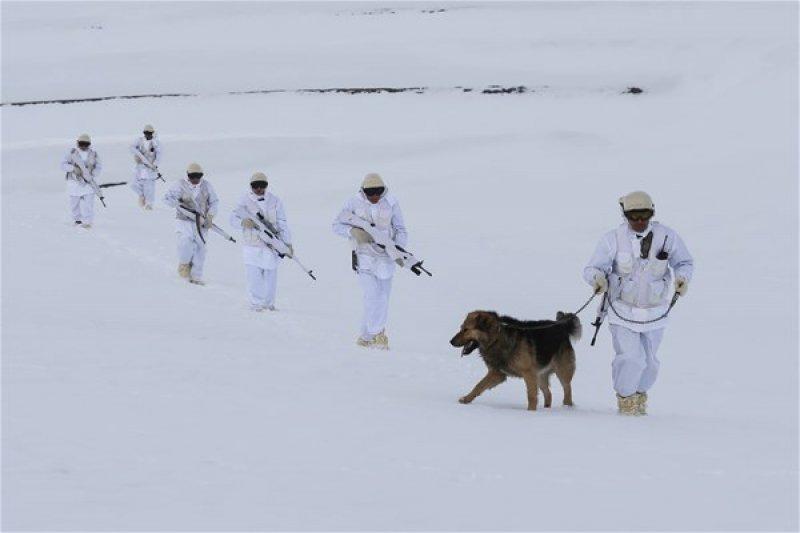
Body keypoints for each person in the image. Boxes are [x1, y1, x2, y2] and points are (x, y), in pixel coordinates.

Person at [583, 191, 694, 415]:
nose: (640, 221)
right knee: (630, 358)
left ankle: (640, 395)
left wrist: (682, 279)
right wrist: (598, 279)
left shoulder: (667, 237)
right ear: (625, 215)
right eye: (635, 217)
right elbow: (592, 268)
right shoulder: (612, 239)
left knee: (650, 363)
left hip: (655, 313)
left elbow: (684, 262)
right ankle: (626, 400)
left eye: (645, 215)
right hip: (621, 311)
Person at [332, 173, 408, 349]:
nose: (374, 196)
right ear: (363, 191)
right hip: (363, 257)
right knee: (373, 295)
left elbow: (400, 229)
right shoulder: (352, 202)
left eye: (378, 193)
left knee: (382, 299)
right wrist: (353, 232)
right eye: (370, 193)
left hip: (386, 258)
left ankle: (365, 337)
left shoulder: (391, 202)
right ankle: (378, 335)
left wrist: (398, 248)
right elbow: (336, 225)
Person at [230, 172, 293, 311]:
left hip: (271, 245)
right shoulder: (243, 201)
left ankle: (269, 304)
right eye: (255, 186)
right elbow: (232, 219)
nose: (259, 189)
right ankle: (256, 304)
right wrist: (243, 222)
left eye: (262, 185)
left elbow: (282, 223)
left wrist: (287, 243)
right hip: (251, 246)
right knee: (253, 277)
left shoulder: (275, 201)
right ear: (251, 186)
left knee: (271, 276)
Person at [162, 162, 219, 285]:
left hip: (201, 223)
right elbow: (167, 198)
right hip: (183, 221)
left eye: (198, 176)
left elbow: (214, 202)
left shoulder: (207, 186)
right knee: (185, 243)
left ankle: (196, 275)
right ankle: (184, 264)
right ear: (187, 175)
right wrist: (176, 202)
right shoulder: (179, 184)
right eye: (192, 176)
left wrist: (210, 216)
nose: (195, 179)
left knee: (201, 248)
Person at [60, 133, 103, 229]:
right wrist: (73, 169)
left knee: (89, 204)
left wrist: (92, 174)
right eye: (81, 143)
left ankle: (87, 222)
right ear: (78, 143)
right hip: (74, 182)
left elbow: (98, 167)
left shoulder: (94, 154)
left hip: (88, 183)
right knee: (74, 203)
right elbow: (62, 165)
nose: (83, 146)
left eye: (86, 144)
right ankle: (77, 220)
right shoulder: (71, 153)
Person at [129, 124, 162, 210]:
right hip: (140, 167)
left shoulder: (156, 143)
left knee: (149, 188)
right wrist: (139, 155)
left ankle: (149, 204)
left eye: (149, 133)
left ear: (152, 133)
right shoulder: (139, 141)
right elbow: (132, 147)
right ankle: (141, 196)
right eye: (146, 132)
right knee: (133, 184)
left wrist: (155, 164)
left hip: (150, 168)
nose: (147, 134)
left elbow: (159, 155)